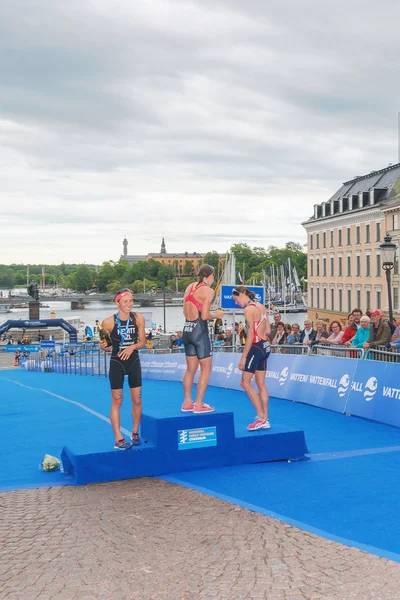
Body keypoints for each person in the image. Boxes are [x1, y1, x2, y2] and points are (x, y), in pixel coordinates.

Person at [99, 288, 146, 450]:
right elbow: (106, 347)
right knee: (117, 401)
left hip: (133, 362)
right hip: (117, 363)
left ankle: (135, 432)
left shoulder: (139, 318)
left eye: (131, 301)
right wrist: (104, 347)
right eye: (125, 301)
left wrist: (132, 347)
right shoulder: (108, 322)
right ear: (117, 302)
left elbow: (142, 342)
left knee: (137, 400)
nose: (129, 304)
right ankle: (118, 438)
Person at [181, 265, 223, 413]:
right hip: (199, 331)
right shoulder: (208, 291)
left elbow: (184, 309)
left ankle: (187, 402)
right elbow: (205, 316)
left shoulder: (190, 287)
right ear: (210, 275)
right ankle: (198, 404)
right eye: (213, 277)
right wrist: (216, 315)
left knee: (190, 370)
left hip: (187, 329)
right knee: (206, 369)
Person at [232, 286, 271, 431]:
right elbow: (267, 330)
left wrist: (243, 357)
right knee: (260, 383)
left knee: (245, 383)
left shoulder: (248, 310)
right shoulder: (260, 306)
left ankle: (261, 417)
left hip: (255, 347)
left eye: (236, 299)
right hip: (265, 346)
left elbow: (250, 335)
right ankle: (265, 417)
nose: (236, 303)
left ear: (242, 294)